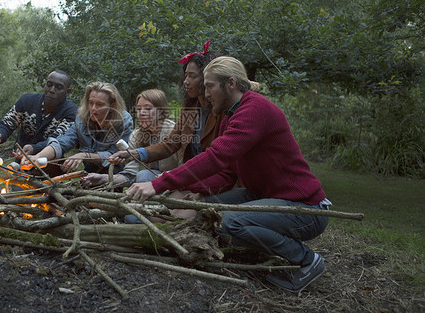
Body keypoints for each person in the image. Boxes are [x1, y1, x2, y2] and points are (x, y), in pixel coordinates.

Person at [126, 56, 331, 293]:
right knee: (207, 212)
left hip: (305, 208)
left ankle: (307, 260)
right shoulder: (230, 115)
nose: (205, 92)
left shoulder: (255, 109)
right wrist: (193, 191)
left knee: (228, 221)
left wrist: (160, 183)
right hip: (261, 195)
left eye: (210, 85)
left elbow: (216, 157)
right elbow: (226, 173)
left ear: (230, 84)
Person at [109, 41, 237, 199]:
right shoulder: (191, 107)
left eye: (192, 76)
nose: (186, 82)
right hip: (190, 178)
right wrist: (136, 154)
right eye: (186, 76)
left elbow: (216, 159)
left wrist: (171, 179)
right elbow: (172, 142)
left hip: (211, 181)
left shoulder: (223, 111)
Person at [79, 89, 181, 188]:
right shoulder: (136, 135)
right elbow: (130, 175)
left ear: (161, 111)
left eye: (148, 108)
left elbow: (185, 166)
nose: (142, 113)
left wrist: (165, 176)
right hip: (151, 182)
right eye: (139, 109)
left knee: (144, 175)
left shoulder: (173, 131)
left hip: (177, 181)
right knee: (143, 175)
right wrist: (102, 179)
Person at [25, 81, 133, 175]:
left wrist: (83, 155)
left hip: (113, 175)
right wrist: (38, 157)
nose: (93, 109)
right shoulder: (82, 119)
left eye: (99, 104)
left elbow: (113, 155)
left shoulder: (123, 122)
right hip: (88, 173)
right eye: (91, 103)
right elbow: (62, 142)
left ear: (112, 105)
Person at [0, 70, 77, 156]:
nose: (52, 90)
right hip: (20, 158)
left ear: (67, 92)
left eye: (59, 87)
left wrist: (34, 148)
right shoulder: (26, 101)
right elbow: (7, 123)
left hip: (49, 164)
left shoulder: (71, 112)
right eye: (49, 85)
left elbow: (58, 141)